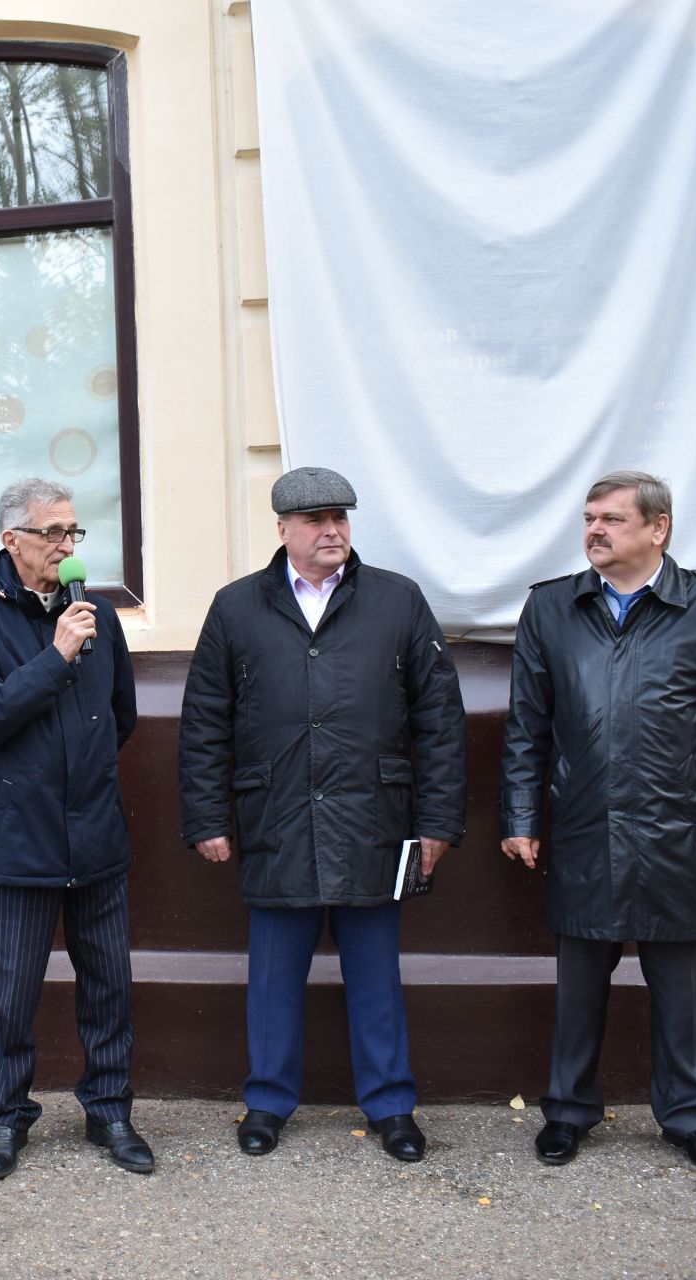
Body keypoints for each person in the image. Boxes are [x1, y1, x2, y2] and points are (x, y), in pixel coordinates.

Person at [178, 466, 466, 1163]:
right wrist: (206, 817)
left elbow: (440, 720)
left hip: (375, 818)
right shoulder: (237, 607)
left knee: (376, 976)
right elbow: (205, 723)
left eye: (341, 516)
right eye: (316, 520)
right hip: (275, 818)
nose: (332, 529)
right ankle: (268, 1103)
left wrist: (437, 822)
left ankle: (392, 1107)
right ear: (283, 529)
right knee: (274, 978)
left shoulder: (397, 601)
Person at [500, 470, 696, 1175]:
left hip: (677, 830)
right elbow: (528, 727)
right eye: (589, 517)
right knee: (579, 984)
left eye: (613, 519)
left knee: (678, 987)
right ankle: (567, 1112)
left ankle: (687, 1117)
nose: (595, 529)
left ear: (659, 528)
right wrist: (523, 815)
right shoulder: (552, 610)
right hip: (585, 825)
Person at [0, 477, 149, 1181]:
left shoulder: (100, 616)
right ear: (13, 541)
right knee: (9, 993)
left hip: (95, 834)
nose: (68, 546)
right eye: (55, 534)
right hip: (16, 839)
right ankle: (5, 1118)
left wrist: (80, 773)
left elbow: (121, 718)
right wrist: (54, 656)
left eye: (74, 533)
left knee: (109, 986)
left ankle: (111, 1110)